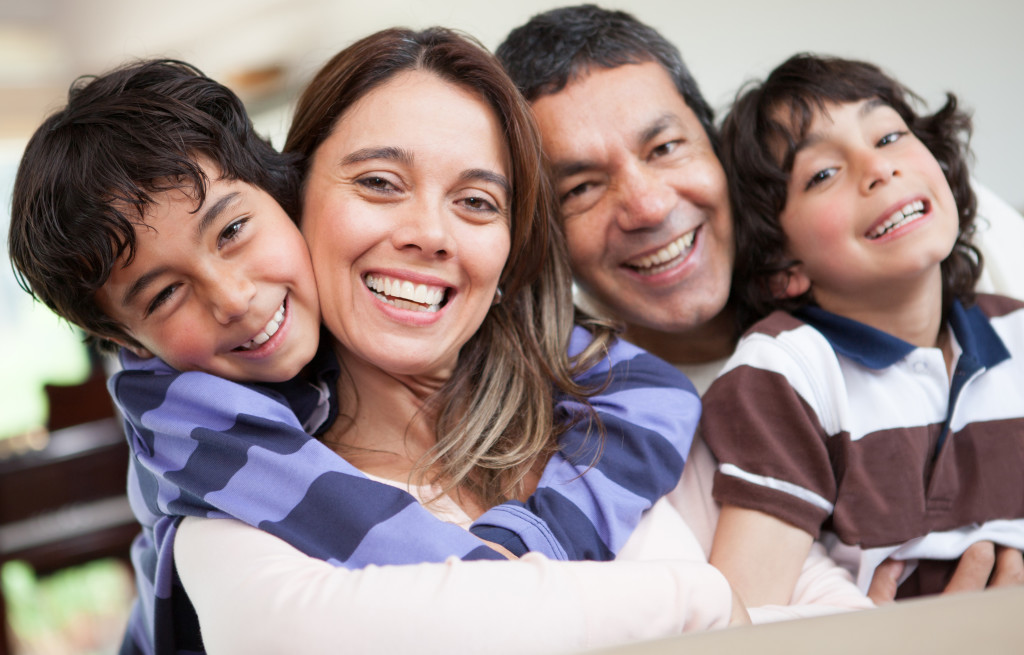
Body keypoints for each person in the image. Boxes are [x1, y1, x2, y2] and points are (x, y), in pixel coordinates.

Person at [7, 57, 722, 654]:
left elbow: (655, 394)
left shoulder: (518, 363)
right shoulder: (192, 432)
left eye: (232, 232)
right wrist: (694, 597)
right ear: (131, 344)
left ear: (279, 195)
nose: (231, 296)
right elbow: (443, 596)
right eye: (164, 296)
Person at [496, 3, 1024, 611]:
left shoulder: (927, 228)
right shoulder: (594, 430)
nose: (645, 206)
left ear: (715, 145)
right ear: (542, 235)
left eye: (665, 146)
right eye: (581, 187)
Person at [701, 52, 1024, 607]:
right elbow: (745, 619)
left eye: (889, 136)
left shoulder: (1016, 329)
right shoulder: (788, 372)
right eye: (823, 174)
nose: (879, 169)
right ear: (784, 266)